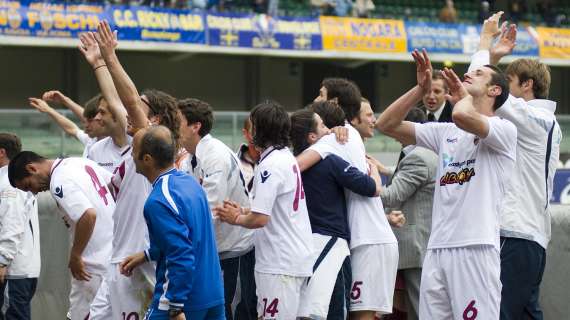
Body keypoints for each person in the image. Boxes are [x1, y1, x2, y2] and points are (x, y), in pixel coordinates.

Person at [376, 48, 516, 319]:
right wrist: (420, 89)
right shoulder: (446, 133)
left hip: (475, 248)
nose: (468, 74)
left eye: (478, 72)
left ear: (494, 91)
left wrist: (463, 98)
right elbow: (386, 123)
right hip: (437, 248)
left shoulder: (504, 129)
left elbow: (463, 116)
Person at [86, 21, 182, 320]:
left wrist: (111, 58)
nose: (127, 111)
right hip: (119, 254)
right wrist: (99, 64)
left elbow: (125, 99)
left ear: (155, 119)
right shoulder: (135, 145)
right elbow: (117, 102)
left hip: (136, 259)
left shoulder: (151, 145)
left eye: (138, 107)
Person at [473, 12, 562, 320]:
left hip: (517, 233)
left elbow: (481, 88)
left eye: (508, 82)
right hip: (525, 234)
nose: (502, 87)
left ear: (526, 85)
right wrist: (494, 56)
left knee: (500, 314)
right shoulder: (533, 120)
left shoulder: (537, 118)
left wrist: (486, 44)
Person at [299, 78, 398, 320]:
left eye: (320, 95)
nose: (315, 100)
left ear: (333, 101)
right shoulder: (342, 135)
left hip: (369, 240)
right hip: (363, 236)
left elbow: (294, 167)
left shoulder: (338, 138)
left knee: (360, 316)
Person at [214, 101, 314, 320]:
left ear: (260, 130)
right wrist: (244, 210)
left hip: (279, 262)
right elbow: (273, 207)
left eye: (252, 126)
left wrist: (236, 217)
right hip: (296, 258)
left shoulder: (270, 165)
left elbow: (260, 219)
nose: (249, 133)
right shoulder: (284, 157)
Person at [121, 126, 225, 319]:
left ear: (147, 159)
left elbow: (181, 254)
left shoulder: (158, 200)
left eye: (134, 150)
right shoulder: (190, 182)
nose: (131, 155)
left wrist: (175, 306)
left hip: (183, 301)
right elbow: (191, 237)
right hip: (213, 294)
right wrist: (147, 254)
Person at [290, 108, 382, 320]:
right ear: (312, 136)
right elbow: (371, 187)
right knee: (327, 311)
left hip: (301, 244)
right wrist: (375, 172)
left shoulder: (287, 165)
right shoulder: (328, 161)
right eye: (322, 126)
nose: (329, 130)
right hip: (330, 243)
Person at [8, 151, 115, 320]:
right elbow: (115, 184)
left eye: (29, 185)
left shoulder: (59, 181)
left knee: (80, 316)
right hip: (113, 254)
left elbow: (87, 215)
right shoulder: (79, 162)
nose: (34, 192)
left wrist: (76, 255)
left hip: (92, 264)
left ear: (32, 168)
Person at [178, 98, 255, 320]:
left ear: (195, 126)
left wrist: (181, 247)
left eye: (178, 121)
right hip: (210, 250)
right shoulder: (188, 160)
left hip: (234, 249)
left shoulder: (216, 155)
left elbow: (209, 212)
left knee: (232, 311)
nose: (174, 126)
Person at [370, 108, 437, 320]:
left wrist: (372, 178)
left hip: (414, 248)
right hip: (422, 245)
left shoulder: (416, 158)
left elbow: (391, 196)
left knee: (420, 312)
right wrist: (387, 171)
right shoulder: (428, 154)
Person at [0, 133, 40, 320]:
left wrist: (2, 261)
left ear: (1, 152)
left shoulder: (8, 182)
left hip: (12, 273)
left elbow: (12, 224)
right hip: (18, 271)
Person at [236, 117, 259, 193]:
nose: (260, 136)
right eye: (254, 132)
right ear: (245, 133)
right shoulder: (234, 164)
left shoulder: (274, 162)